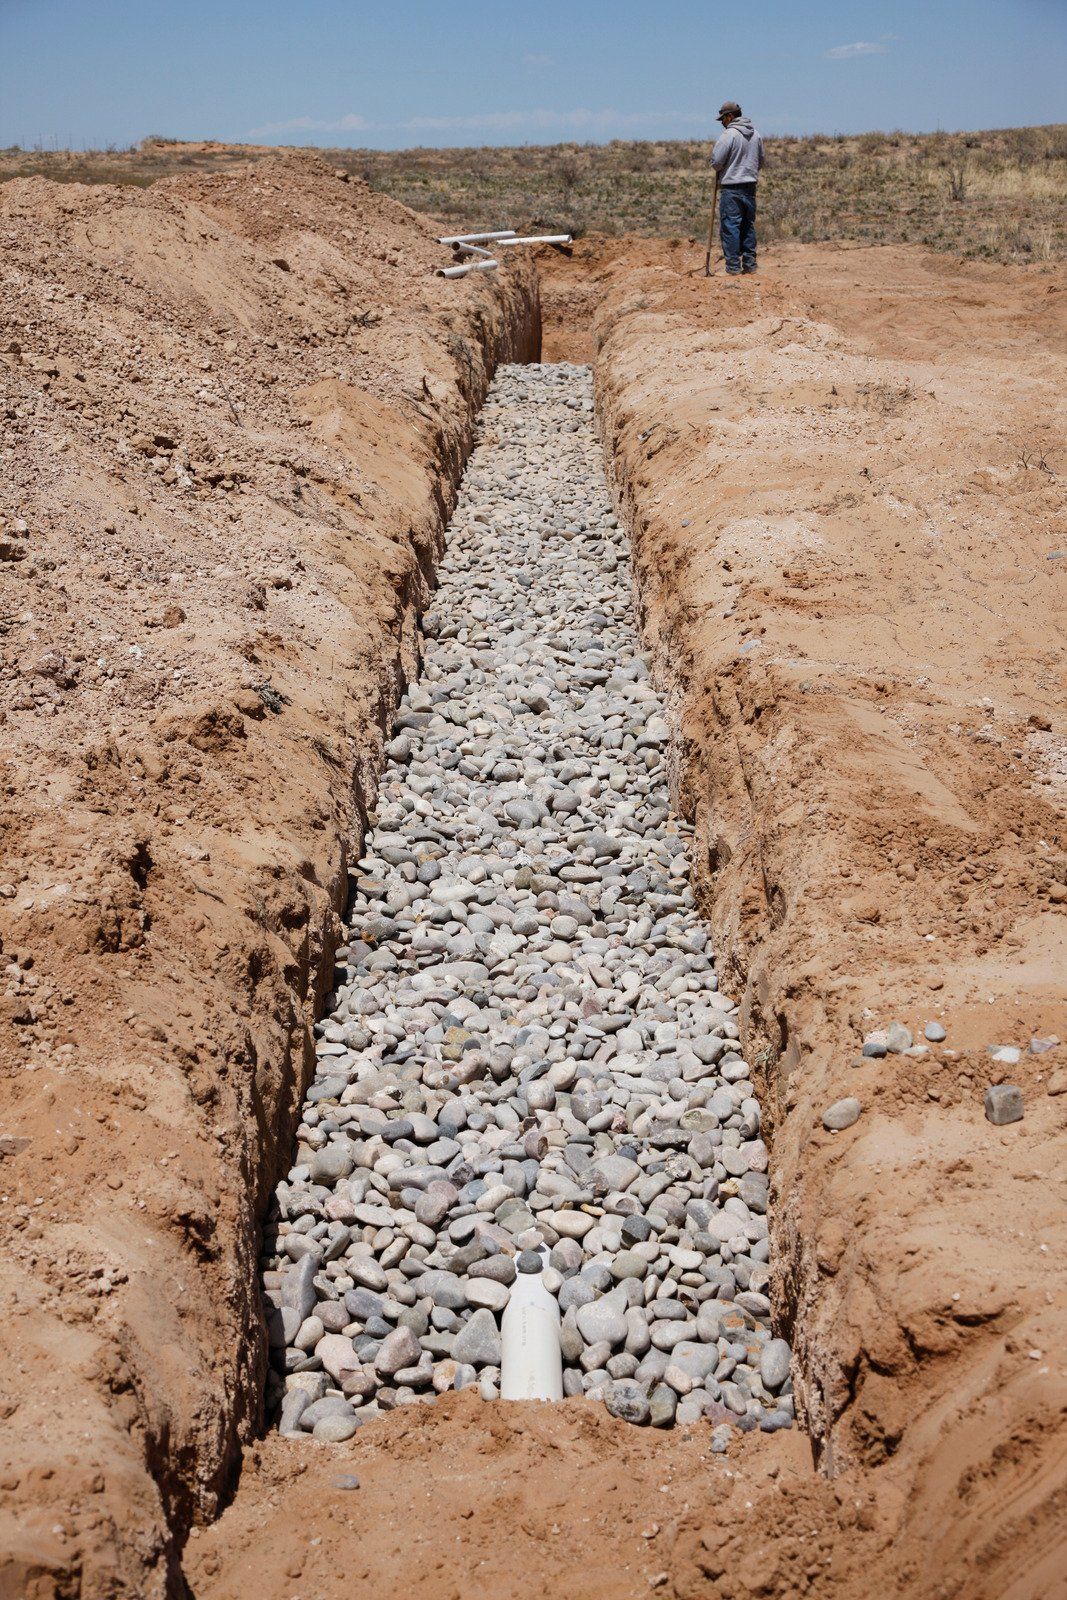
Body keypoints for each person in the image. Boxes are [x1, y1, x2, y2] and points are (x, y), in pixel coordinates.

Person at [711, 101, 765, 275]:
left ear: (730, 116)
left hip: (731, 187)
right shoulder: (756, 134)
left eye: (723, 119)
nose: (722, 123)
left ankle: (733, 267)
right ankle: (750, 265)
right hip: (750, 186)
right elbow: (761, 161)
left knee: (731, 226)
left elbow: (717, 163)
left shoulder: (729, 135)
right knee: (747, 226)